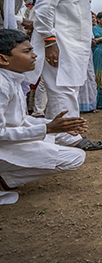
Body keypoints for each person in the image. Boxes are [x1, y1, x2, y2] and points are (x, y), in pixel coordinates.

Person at [25, 0, 102, 151]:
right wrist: (49, 41)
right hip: (59, 41)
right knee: (62, 88)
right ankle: (67, 136)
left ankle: (61, 132)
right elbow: (44, 7)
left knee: (69, 88)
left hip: (75, 43)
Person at [0, 29, 86, 203]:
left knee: (56, 141)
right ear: (3, 59)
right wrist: (48, 128)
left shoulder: (13, 78)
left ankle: (6, 177)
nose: (34, 55)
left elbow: (20, 120)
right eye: (27, 51)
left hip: (7, 142)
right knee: (73, 158)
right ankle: (7, 180)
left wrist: (58, 125)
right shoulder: (2, 84)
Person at [78, 12, 98, 114]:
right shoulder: (78, 26)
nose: (93, 19)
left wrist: (92, 42)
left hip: (88, 55)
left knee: (90, 78)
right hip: (77, 54)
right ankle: (79, 106)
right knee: (80, 79)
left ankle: (91, 105)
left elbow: (92, 42)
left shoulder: (89, 28)